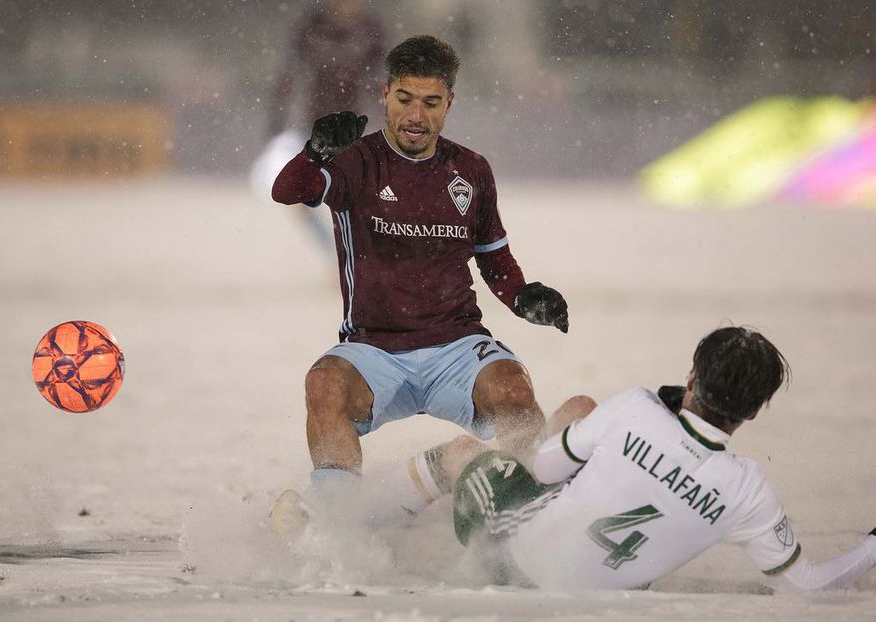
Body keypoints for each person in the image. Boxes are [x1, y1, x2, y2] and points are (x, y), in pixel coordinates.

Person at [270, 35, 570, 511]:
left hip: (454, 343)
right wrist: (315, 152)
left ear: (449, 103)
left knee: (514, 387)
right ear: (385, 94)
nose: (416, 116)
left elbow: (494, 258)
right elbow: (286, 192)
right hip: (375, 347)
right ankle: (336, 521)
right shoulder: (354, 160)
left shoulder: (471, 170)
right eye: (405, 99)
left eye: (431, 103)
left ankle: (525, 508)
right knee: (324, 384)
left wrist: (523, 296)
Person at [375, 326, 875, 591]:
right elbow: (805, 586)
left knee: (467, 454)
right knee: (579, 412)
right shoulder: (749, 490)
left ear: (693, 379)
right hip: (610, 589)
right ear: (755, 410)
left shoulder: (638, 409)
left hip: (511, 560)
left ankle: (356, 522)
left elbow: (545, 471)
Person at [251, 0, 387, 251]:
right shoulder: (312, 25)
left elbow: (382, 78)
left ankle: (358, 253)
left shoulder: (372, 29)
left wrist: (389, 118)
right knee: (303, 200)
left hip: (353, 128)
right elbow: (288, 74)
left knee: (356, 197)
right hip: (313, 126)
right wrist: (276, 120)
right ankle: (335, 253)